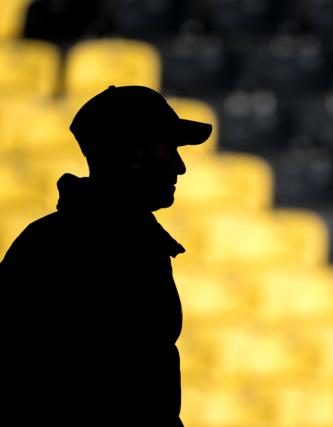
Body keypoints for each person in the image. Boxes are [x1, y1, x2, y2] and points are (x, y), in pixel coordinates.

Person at [0, 85, 212, 426]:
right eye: (169, 148)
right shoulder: (98, 249)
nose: (180, 166)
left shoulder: (51, 241)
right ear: (134, 153)